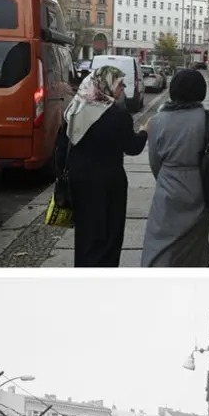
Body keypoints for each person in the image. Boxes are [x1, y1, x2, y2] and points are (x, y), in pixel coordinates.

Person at [55, 66, 150, 267]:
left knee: (85, 233)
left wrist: (64, 175)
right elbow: (132, 147)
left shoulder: (75, 109)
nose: (123, 89)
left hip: (80, 181)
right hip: (109, 183)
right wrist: (144, 132)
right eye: (119, 84)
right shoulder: (117, 114)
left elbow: (62, 148)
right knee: (110, 234)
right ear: (106, 84)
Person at [141, 68, 209, 267]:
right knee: (195, 238)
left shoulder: (157, 121)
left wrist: (166, 178)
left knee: (160, 238)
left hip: (168, 186)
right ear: (201, 91)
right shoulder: (206, 118)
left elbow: (154, 162)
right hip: (199, 189)